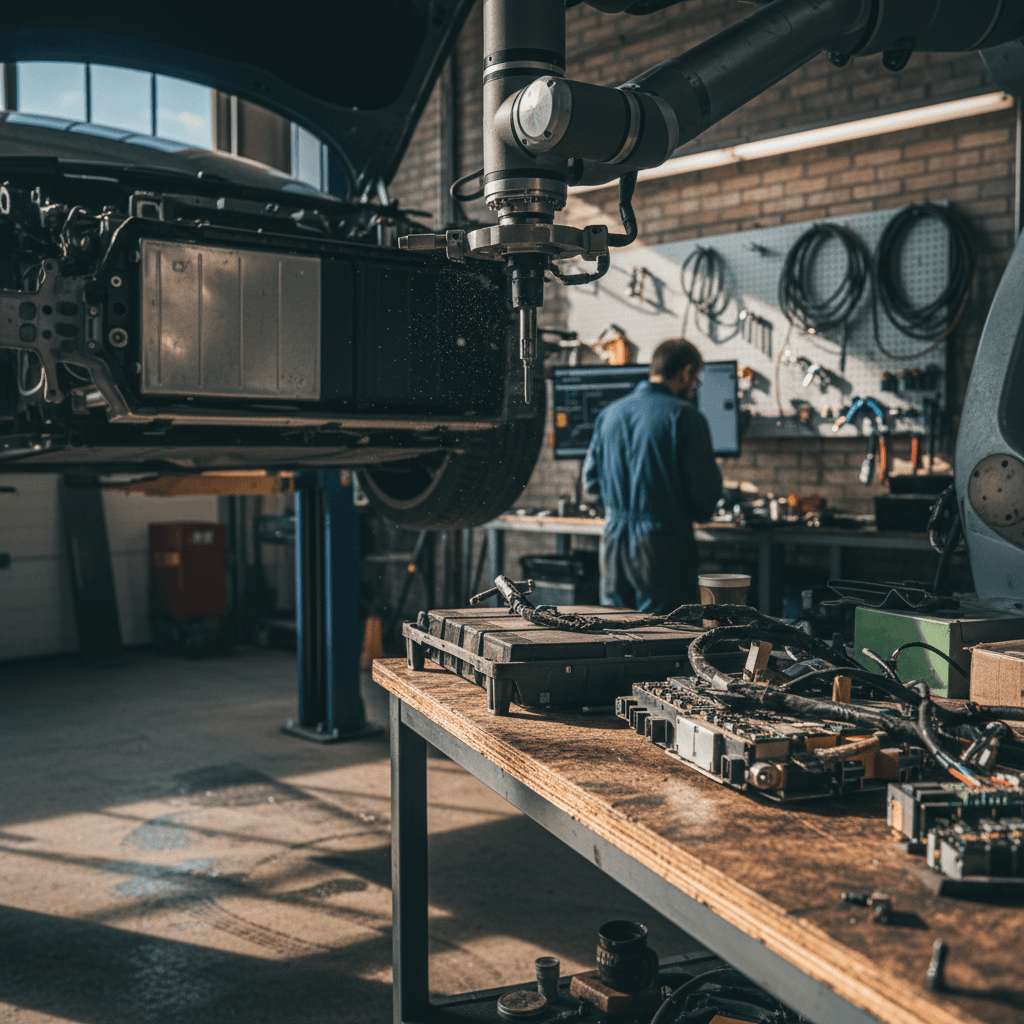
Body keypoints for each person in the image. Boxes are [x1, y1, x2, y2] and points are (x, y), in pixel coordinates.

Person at [582, 338, 723, 613]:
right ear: (686, 372)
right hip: (663, 545)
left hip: (613, 540)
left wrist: (621, 507)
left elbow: (591, 482)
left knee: (614, 630)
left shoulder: (609, 414)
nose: (694, 385)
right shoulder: (684, 417)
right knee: (662, 635)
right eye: (695, 378)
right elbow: (704, 495)